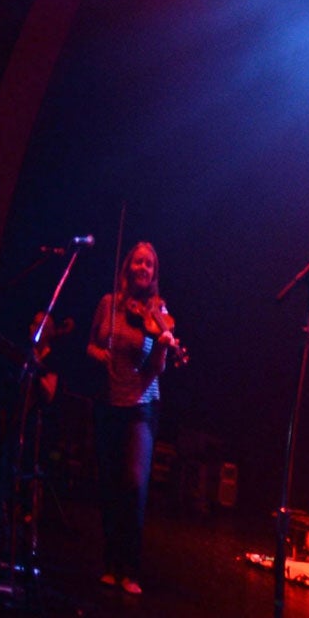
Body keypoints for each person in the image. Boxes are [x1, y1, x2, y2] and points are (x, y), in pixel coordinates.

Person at [85, 241, 183, 595]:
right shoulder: (109, 305)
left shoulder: (159, 312)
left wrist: (162, 345)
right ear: (128, 267)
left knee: (135, 482)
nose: (144, 268)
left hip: (142, 403)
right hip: (110, 399)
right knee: (110, 485)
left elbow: (156, 370)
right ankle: (110, 563)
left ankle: (131, 569)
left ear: (154, 274)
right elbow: (91, 345)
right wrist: (101, 357)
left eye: (150, 265)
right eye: (138, 262)